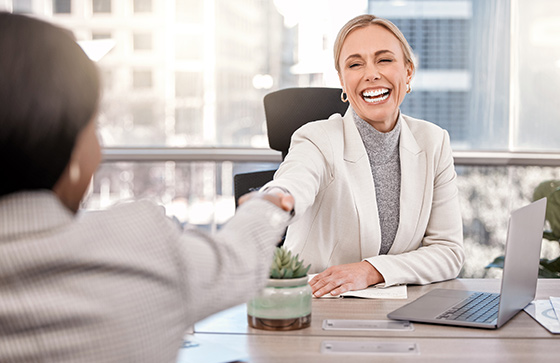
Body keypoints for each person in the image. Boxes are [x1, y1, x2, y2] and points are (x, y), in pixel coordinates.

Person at [0, 12, 294, 363]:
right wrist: (267, 206)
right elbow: (236, 259)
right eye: (94, 127)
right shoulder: (138, 249)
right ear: (71, 149)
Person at [261, 14, 464, 297]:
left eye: (384, 60)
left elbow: (449, 252)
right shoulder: (317, 138)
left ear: (408, 72)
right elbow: (296, 179)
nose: (371, 74)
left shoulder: (433, 142)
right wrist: (274, 201)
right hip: (314, 308)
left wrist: (371, 270)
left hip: (397, 313)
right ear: (343, 81)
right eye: (355, 64)